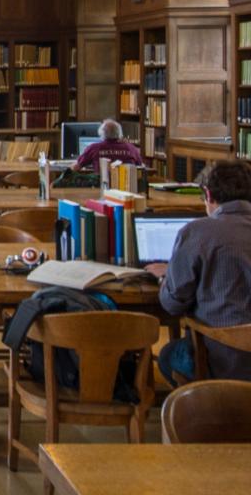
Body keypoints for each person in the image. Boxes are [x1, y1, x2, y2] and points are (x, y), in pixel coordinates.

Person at [147, 160, 251, 384]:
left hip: (221, 361)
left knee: (167, 356)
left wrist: (167, 276)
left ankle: (211, 407)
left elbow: (173, 304)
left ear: (208, 194)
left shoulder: (197, 233)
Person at [73, 118, 144, 171]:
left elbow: (76, 167)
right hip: (126, 187)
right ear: (120, 134)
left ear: (101, 134)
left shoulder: (94, 148)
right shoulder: (131, 148)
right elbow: (141, 167)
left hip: (101, 185)